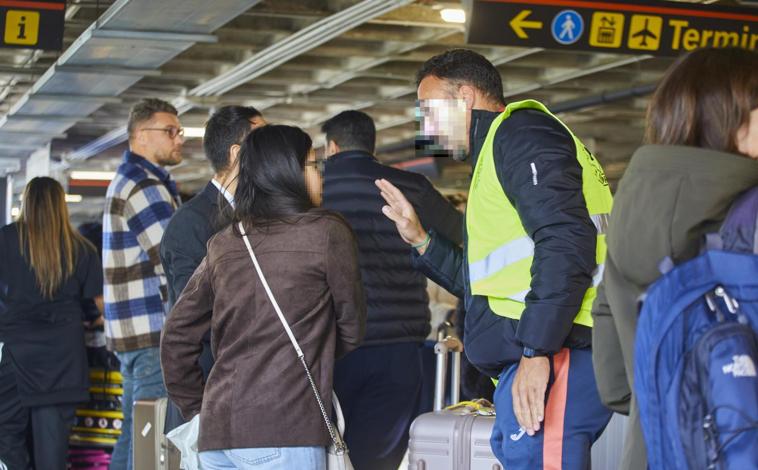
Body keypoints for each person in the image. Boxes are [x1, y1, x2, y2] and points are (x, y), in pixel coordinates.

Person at [376, 49, 613, 469]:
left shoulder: (522, 134)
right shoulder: (497, 151)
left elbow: (566, 239)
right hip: (538, 353)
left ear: (465, 97)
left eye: (429, 111)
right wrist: (421, 241)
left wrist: (537, 351)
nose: (426, 127)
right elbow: (488, 281)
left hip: (557, 351)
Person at [161, 125, 366, 470]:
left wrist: (199, 407)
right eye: (314, 166)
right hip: (285, 430)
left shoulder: (224, 242)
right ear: (288, 173)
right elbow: (352, 327)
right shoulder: (327, 232)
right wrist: (314, 353)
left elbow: (175, 338)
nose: (321, 178)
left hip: (216, 438)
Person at [591, 47, 758, 470]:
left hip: (653, 455)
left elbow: (613, 383)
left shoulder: (626, 211)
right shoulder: (749, 214)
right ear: (736, 123)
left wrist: (670, 412)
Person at [320, 110, 462, 470]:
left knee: (323, 455)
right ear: (372, 145)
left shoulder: (315, 189)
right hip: (399, 349)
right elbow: (463, 239)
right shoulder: (410, 187)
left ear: (331, 146)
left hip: (330, 350)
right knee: (377, 460)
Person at [160, 105, 265, 433]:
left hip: (251, 393)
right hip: (210, 400)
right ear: (237, 154)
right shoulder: (190, 224)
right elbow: (191, 322)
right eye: (263, 140)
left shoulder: (262, 214)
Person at [0, 177, 103, 469]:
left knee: (6, 434)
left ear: (26, 203)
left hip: (17, 357)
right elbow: (97, 308)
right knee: (53, 451)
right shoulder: (81, 249)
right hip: (63, 360)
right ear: (60, 205)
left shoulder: (4, 239)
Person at [103, 98, 183, 470]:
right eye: (169, 131)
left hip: (132, 334)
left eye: (178, 131)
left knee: (135, 435)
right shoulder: (143, 184)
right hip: (151, 332)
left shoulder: (131, 180)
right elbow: (172, 258)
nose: (178, 138)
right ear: (140, 136)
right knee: (147, 444)